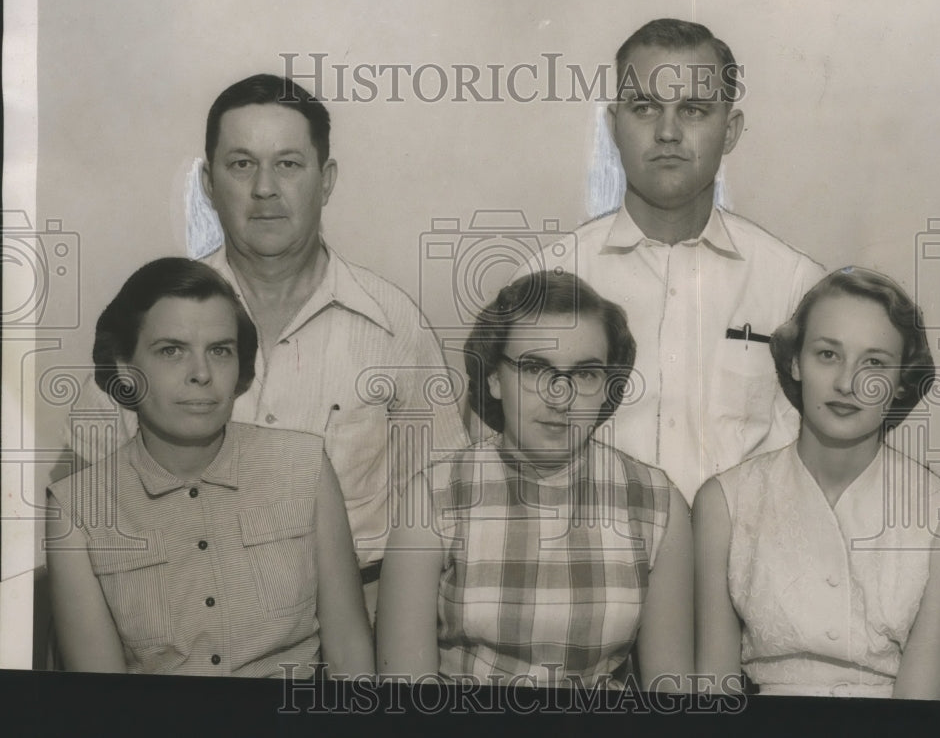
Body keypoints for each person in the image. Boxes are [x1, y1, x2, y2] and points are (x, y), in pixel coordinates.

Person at [65, 74, 470, 621]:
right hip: (190, 625)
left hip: (364, 620)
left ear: (325, 180)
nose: (264, 189)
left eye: (287, 164)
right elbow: (82, 485)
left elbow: (448, 497)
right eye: (241, 164)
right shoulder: (152, 320)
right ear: (208, 183)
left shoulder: (394, 324)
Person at [514, 18, 825, 504]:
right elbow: (505, 461)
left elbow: (823, 463)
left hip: (744, 570)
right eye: (644, 108)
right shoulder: (547, 280)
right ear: (614, 126)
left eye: (695, 109)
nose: (667, 132)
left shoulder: (796, 286)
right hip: (592, 567)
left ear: (730, 130)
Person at [47, 258, 374, 677]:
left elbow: (350, 657)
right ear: (125, 369)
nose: (201, 373)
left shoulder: (305, 467)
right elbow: (101, 699)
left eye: (220, 351)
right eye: (171, 351)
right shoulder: (76, 510)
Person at [377, 271, 693, 689]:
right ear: (494, 378)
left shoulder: (657, 503)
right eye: (534, 368)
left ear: (607, 387)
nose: (559, 396)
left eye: (585, 374)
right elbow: (405, 692)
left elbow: (671, 694)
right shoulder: (434, 495)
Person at [693, 267, 940, 698]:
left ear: (900, 383)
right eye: (827, 354)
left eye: (874, 363)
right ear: (795, 362)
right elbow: (714, 693)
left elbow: (921, 710)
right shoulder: (725, 502)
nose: (846, 383)